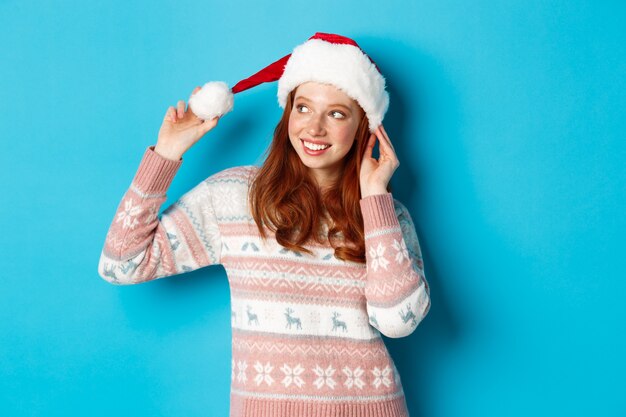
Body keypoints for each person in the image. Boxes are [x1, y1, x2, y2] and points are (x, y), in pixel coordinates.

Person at [98, 32, 431, 417]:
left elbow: (398, 322)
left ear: (364, 128)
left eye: (337, 113)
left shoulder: (387, 216)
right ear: (288, 113)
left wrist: (375, 198)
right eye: (303, 108)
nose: (315, 128)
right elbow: (121, 263)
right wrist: (166, 154)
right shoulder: (234, 198)